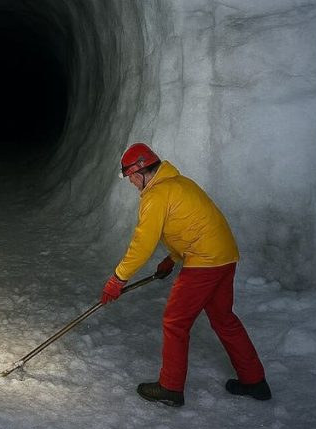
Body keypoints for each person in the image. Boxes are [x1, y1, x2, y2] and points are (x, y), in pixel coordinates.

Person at [100, 143, 271, 407]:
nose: (132, 183)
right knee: (224, 319)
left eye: (131, 176)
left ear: (142, 170)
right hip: (225, 257)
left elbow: (143, 243)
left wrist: (118, 278)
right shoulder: (179, 183)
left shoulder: (156, 194)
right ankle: (254, 381)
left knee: (175, 322)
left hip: (205, 262)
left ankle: (170, 387)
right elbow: (192, 225)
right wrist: (172, 258)